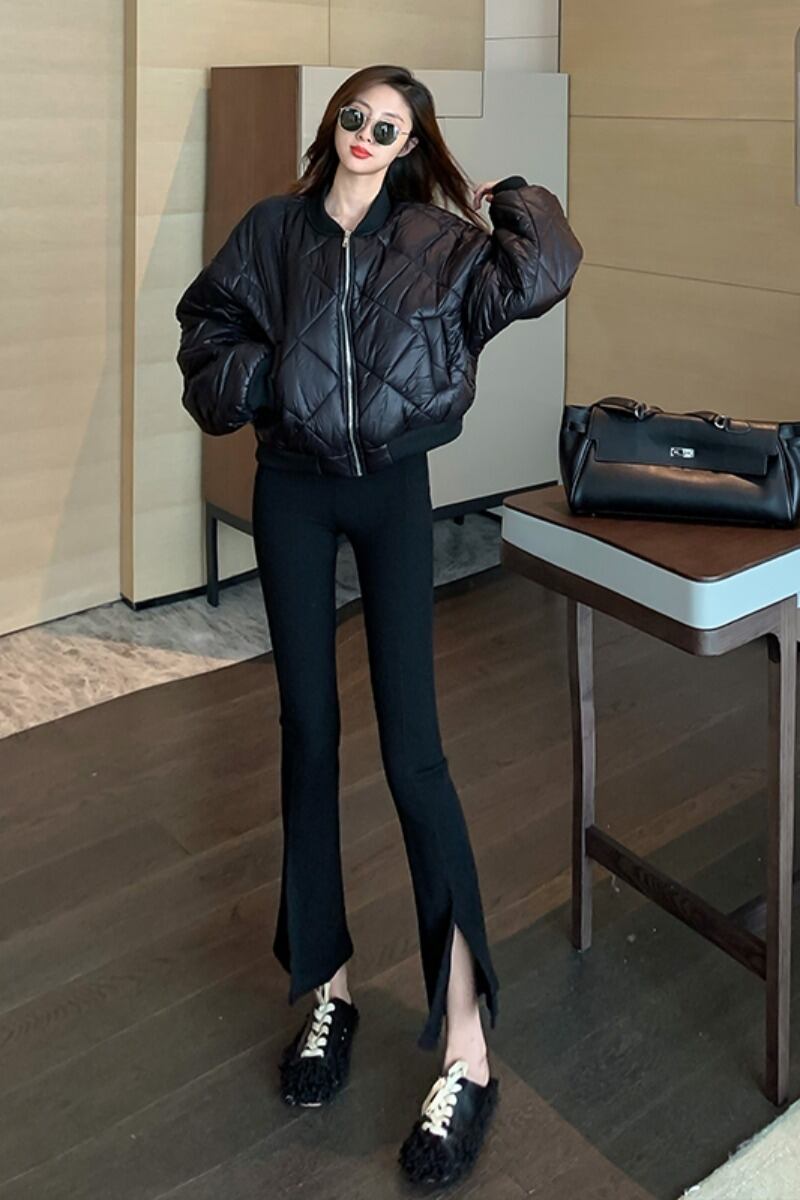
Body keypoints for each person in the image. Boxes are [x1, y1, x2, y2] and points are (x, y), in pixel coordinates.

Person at [175, 63, 582, 1187]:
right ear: (334, 124)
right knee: (308, 734)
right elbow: (202, 339)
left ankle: (468, 1045)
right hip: (293, 493)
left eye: (388, 125)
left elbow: (545, 271)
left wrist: (508, 198)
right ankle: (327, 991)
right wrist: (268, 384)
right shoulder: (273, 231)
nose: (364, 134)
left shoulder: (437, 244)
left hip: (394, 490)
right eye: (353, 116)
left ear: (411, 143)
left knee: (416, 757)